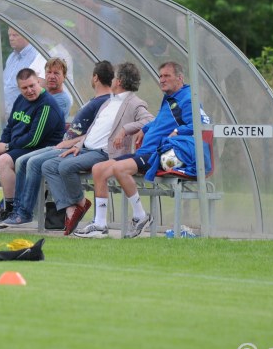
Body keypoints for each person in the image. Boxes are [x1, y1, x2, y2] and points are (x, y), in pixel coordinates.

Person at [78, 61, 210, 239]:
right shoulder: (170, 98)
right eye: (160, 76)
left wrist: (179, 131)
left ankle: (140, 216)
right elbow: (158, 122)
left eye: (166, 76)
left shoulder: (188, 98)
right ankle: (100, 225)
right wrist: (144, 129)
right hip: (145, 152)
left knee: (119, 168)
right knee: (98, 169)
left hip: (157, 153)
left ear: (180, 78)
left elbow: (202, 124)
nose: (161, 80)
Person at [0, 60, 115, 230]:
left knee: (33, 162)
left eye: (56, 73)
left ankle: (25, 212)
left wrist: (70, 143)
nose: (51, 77)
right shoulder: (98, 100)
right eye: (48, 73)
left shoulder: (106, 102)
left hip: (75, 147)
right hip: (68, 144)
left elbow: (94, 134)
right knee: (21, 161)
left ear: (95, 78)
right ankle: (16, 210)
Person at [44, 62, 153, 236]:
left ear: (120, 81)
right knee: (48, 165)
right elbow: (93, 130)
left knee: (65, 167)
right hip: (85, 149)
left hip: (104, 154)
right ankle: (74, 206)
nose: (112, 79)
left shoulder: (134, 102)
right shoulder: (109, 101)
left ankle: (81, 209)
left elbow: (149, 120)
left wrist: (126, 129)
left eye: (115, 76)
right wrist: (77, 146)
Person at [0, 68, 65, 230]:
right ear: (19, 88)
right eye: (24, 88)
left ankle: (10, 210)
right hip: (17, 147)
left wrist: (7, 147)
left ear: (38, 82)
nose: (29, 91)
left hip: (39, 150)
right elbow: (9, 127)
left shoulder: (47, 105)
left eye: (32, 86)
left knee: (4, 161)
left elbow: (34, 139)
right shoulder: (20, 100)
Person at [4, 27, 46, 115]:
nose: (11, 38)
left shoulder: (37, 56)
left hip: (24, 114)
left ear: (26, 35)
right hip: (7, 114)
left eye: (15, 35)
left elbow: (39, 88)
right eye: (9, 35)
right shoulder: (11, 57)